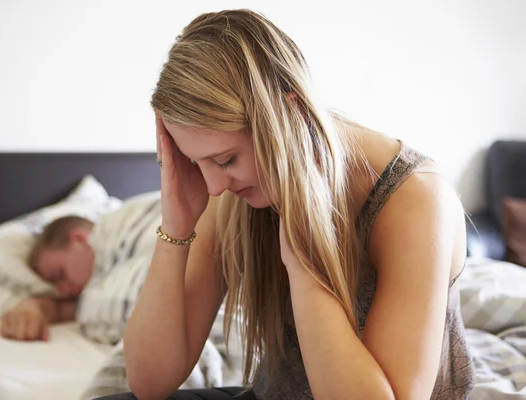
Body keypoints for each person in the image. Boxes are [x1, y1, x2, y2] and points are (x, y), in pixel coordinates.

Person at [106, 8, 476, 400]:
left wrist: (303, 262)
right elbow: (149, 383)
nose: (214, 187)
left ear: (291, 114)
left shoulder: (414, 198)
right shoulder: (236, 191)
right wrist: (175, 229)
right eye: (197, 163)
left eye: (225, 160)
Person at [0, 216, 95, 341]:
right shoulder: (88, 299)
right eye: (54, 285)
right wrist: (30, 307)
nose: (64, 292)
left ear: (79, 239)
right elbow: (62, 309)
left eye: (61, 274)